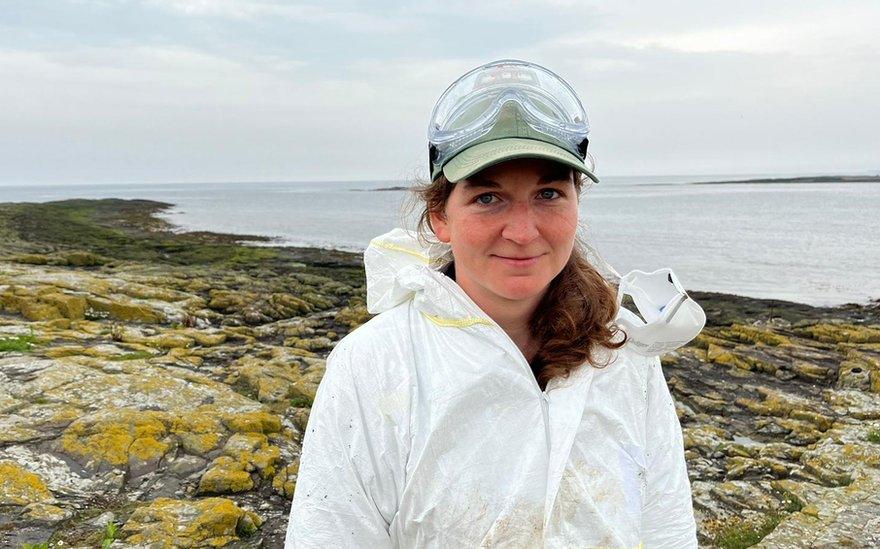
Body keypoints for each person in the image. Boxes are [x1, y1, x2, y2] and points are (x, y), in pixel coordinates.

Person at [284, 59, 707, 548]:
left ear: (577, 205)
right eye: (488, 198)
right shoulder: (375, 364)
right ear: (440, 216)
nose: (523, 233)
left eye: (549, 193)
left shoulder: (621, 352)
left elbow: (666, 526)